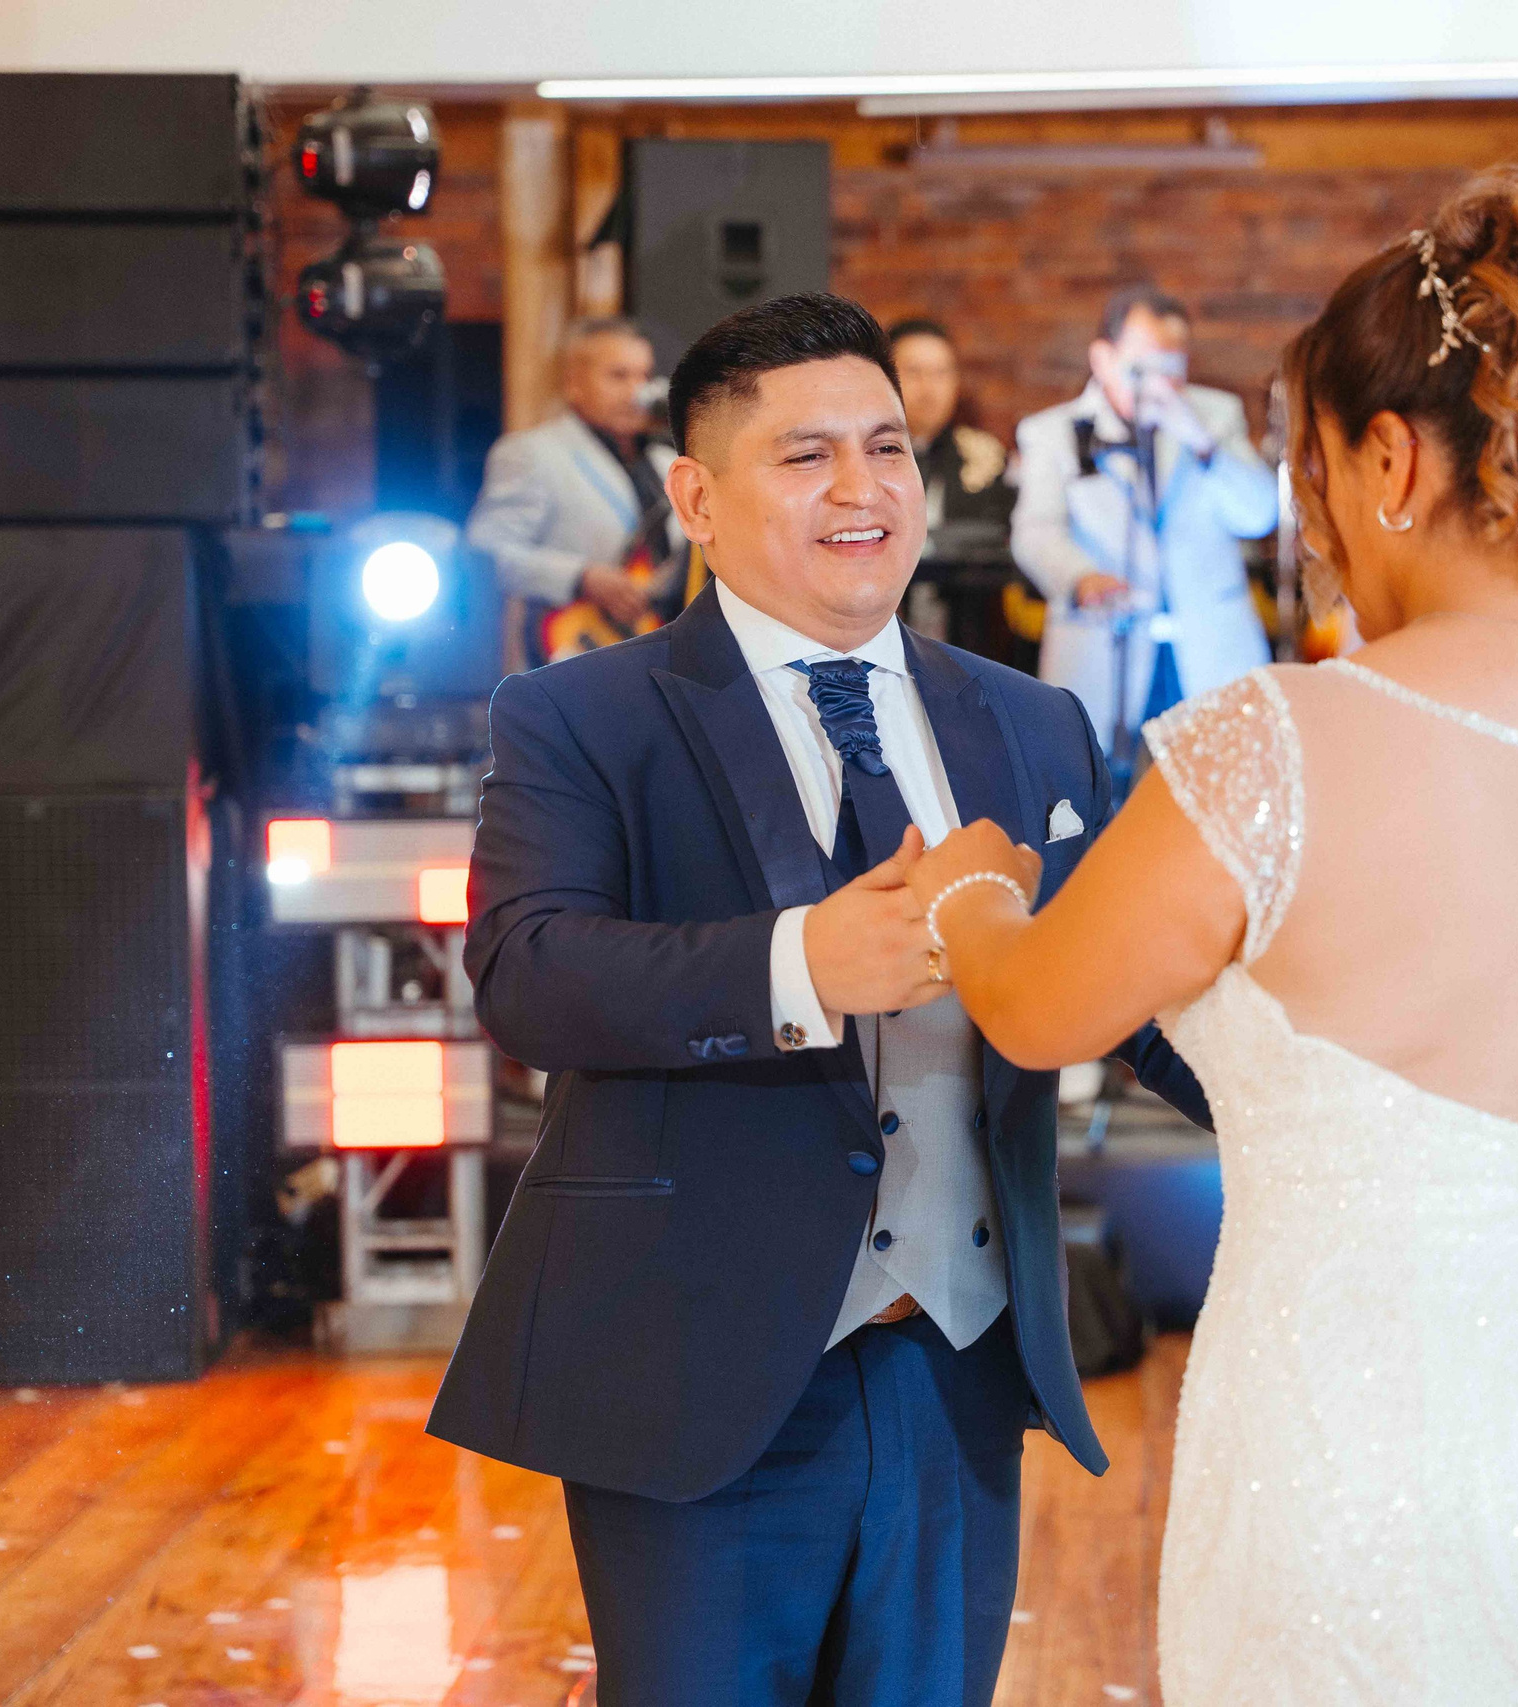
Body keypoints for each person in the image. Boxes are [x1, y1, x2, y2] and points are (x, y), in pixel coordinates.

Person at [907, 167, 1518, 1704]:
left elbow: (1042, 1009)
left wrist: (963, 892)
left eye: (1305, 463)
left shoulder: (1283, 742)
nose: (1307, 515)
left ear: (1388, 456)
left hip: (1387, 1444)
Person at [426, 294, 1211, 1706]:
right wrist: (799, 963)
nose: (864, 490)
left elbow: (1123, 982)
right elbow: (528, 970)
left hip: (960, 1368)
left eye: (889, 448)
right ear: (696, 496)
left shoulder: (1031, 721)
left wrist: (1315, 1098)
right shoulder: (579, 713)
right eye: (805, 457)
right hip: (698, 1363)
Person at [1010, 286, 1279, 766]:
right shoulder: (1052, 431)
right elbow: (1035, 531)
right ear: (1103, 358)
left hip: (1207, 653)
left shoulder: (1214, 415)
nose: (1160, 383)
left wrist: (1198, 440)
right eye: (1143, 367)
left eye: (1173, 367)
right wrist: (1078, 578)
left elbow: (1259, 515)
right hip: (1104, 650)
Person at [465, 316, 688, 664]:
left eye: (644, 376)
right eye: (618, 375)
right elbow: (487, 550)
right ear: (574, 383)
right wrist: (580, 577)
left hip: (663, 649)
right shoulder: (532, 453)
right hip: (577, 650)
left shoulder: (670, 462)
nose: (637, 391)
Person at [886, 317, 1021, 650]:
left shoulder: (984, 457)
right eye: (914, 372)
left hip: (964, 637)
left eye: (941, 373)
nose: (929, 388)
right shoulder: (860, 459)